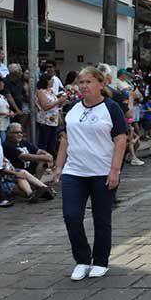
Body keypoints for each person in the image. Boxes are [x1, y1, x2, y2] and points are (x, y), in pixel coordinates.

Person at [53, 66, 127, 281]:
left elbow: (121, 139)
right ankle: (82, 260)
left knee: (101, 219)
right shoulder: (73, 109)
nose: (84, 86)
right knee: (71, 216)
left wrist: (115, 171)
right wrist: (59, 166)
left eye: (89, 82)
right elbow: (65, 139)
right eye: (81, 82)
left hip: (101, 172)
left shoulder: (111, 108)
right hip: (74, 171)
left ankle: (101, 261)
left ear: (101, 84)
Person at [36, 74, 67, 156]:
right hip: (45, 120)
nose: (53, 81)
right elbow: (45, 106)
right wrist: (59, 100)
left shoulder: (51, 91)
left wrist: (62, 101)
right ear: (47, 81)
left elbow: (57, 105)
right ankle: (42, 159)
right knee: (44, 142)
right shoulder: (41, 92)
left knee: (52, 143)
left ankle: (50, 158)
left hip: (54, 120)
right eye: (51, 80)